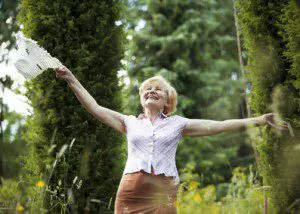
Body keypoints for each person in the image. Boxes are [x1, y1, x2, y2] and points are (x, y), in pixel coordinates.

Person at [55, 66, 288, 213]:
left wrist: (259, 119)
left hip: (163, 193)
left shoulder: (178, 124)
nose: (152, 91)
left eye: (158, 89)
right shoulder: (129, 122)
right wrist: (71, 78)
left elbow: (217, 126)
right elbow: (94, 107)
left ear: (168, 100)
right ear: (141, 98)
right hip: (130, 194)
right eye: (147, 89)